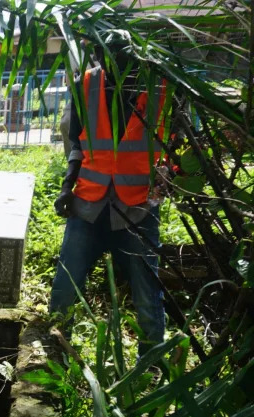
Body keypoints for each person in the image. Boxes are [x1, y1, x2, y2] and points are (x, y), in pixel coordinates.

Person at [50, 41, 169, 357]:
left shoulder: (161, 88)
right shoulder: (86, 84)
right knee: (65, 287)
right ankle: (54, 355)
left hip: (138, 208)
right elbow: (77, 143)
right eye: (103, 51)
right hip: (88, 205)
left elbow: (175, 143)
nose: (110, 58)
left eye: (118, 50)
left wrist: (168, 175)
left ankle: (153, 364)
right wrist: (66, 186)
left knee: (147, 294)